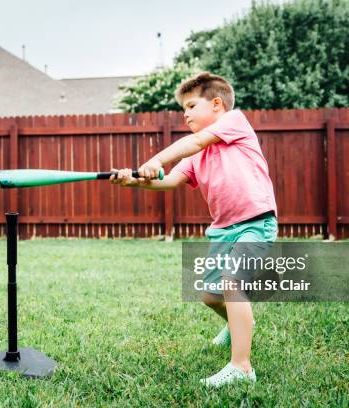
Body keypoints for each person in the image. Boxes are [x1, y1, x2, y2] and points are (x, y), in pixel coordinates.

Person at [110, 72, 277, 387]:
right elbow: (169, 181)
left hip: (256, 222)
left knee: (231, 283)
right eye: (183, 108)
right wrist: (132, 178)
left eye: (190, 105)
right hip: (223, 229)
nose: (184, 114)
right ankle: (239, 324)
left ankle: (242, 367)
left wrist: (154, 159)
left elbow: (195, 141)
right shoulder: (198, 155)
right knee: (211, 296)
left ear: (216, 105)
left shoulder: (235, 122)